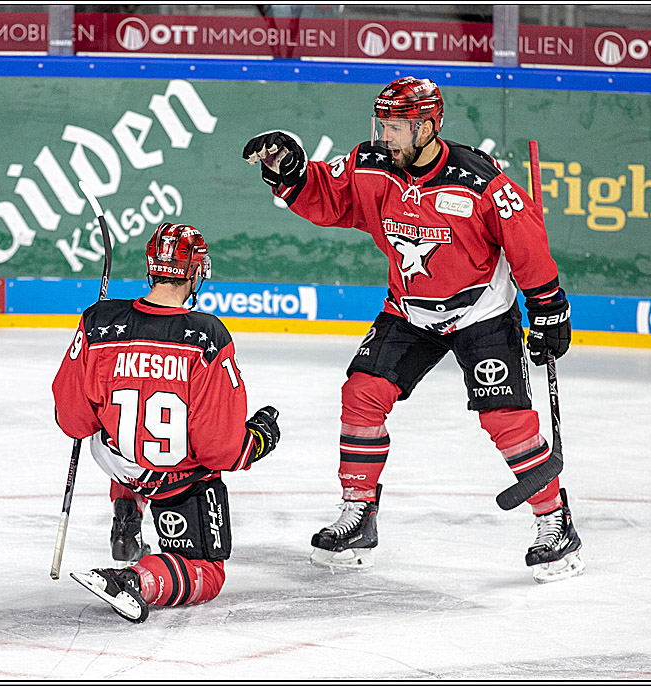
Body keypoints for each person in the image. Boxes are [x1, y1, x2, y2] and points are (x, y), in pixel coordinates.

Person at [242, 76, 583, 583]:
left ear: (427, 127)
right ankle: (359, 513)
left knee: (505, 418)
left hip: (481, 313)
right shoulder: (371, 165)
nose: (386, 136)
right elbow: (330, 196)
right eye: (382, 124)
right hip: (409, 312)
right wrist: (291, 172)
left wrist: (548, 305)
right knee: (362, 392)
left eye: (397, 127)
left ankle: (555, 521)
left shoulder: (478, 180)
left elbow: (526, 241)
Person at [51, 222, 281, 622]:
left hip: (117, 462)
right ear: (195, 271)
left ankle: (127, 507)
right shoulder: (206, 337)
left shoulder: (98, 322)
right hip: (175, 479)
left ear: (152, 266)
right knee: (206, 573)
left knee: (120, 429)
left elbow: (72, 420)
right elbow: (219, 448)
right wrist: (258, 440)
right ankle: (133, 580)